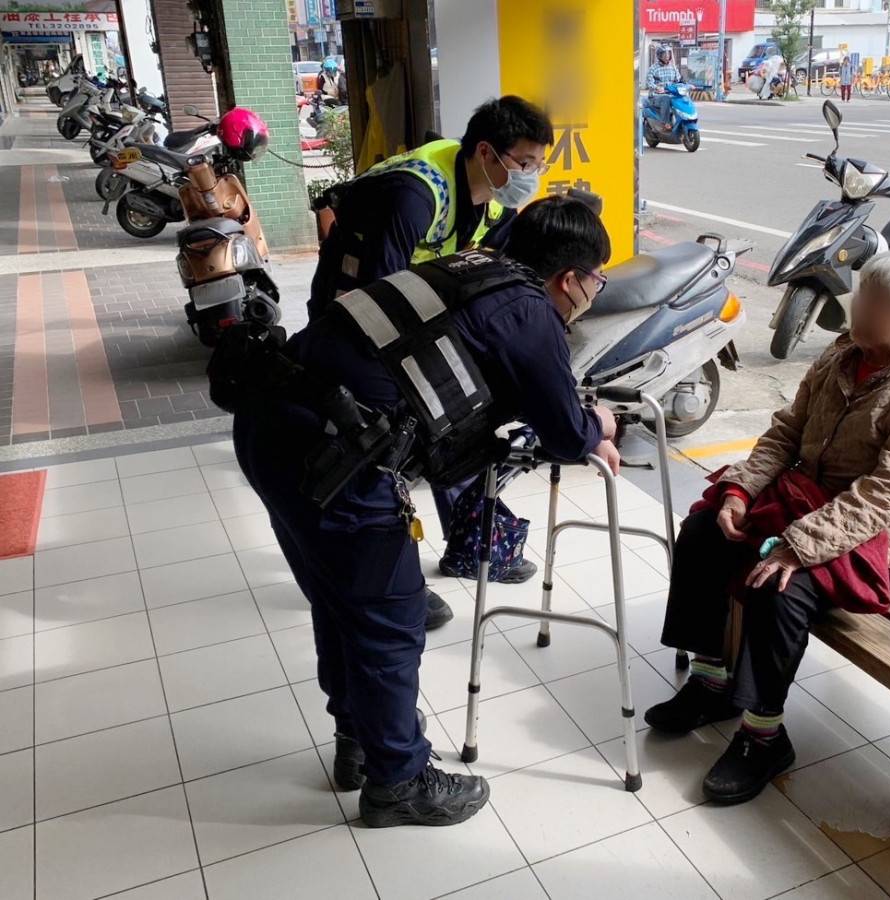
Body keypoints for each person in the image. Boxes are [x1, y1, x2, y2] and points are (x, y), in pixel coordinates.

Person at [233, 196, 621, 828]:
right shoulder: (530, 311)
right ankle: (399, 781)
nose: (593, 293)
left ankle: (360, 740)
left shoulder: (465, 266)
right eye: (596, 280)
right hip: (335, 461)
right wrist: (597, 423)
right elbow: (565, 430)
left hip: (269, 426)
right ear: (569, 279)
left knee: (340, 601)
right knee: (390, 615)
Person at [643, 248, 890, 805]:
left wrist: (798, 545)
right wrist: (743, 489)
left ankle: (763, 735)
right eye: (862, 290)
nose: (856, 302)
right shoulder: (844, 352)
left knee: (780, 584)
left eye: (872, 298)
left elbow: (887, 493)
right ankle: (712, 680)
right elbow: (786, 433)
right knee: (706, 530)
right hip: (818, 502)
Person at [310, 95, 556, 618]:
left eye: (539, 164)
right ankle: (393, 583)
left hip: (410, 317)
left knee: (452, 423)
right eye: (525, 163)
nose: (531, 175)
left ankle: (470, 542)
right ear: (488, 152)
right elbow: (377, 302)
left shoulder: (490, 196)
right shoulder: (413, 195)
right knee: (378, 450)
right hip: (352, 324)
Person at [646, 46, 681, 129]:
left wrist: (687, 85)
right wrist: (656, 88)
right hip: (656, 96)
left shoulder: (673, 67)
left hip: (671, 93)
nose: (667, 56)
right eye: (664, 54)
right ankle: (665, 122)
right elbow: (649, 82)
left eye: (668, 54)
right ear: (659, 56)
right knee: (666, 98)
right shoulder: (653, 68)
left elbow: (679, 80)